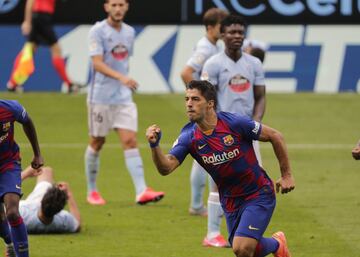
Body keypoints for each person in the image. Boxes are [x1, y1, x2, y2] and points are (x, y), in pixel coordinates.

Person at [146, 80, 295, 257]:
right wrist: (154, 146)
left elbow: (275, 136)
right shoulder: (189, 137)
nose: (189, 104)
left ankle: (275, 245)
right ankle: (277, 245)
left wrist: (286, 175)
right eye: (186, 99)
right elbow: (166, 168)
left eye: (195, 99)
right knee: (242, 247)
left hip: (257, 192)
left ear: (210, 104)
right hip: (230, 200)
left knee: (242, 247)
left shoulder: (234, 123)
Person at [197, 14, 268, 247]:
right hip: (222, 132)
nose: (237, 36)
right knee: (220, 181)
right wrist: (214, 128)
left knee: (255, 180)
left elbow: (260, 96)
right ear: (223, 34)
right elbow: (206, 100)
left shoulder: (254, 64)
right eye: (232, 32)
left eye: (240, 32)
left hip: (247, 131)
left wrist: (255, 124)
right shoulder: (213, 64)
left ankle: (242, 230)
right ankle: (211, 234)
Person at [85, 0, 165, 206]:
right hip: (100, 97)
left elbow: (123, 60)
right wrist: (122, 78)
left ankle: (141, 191)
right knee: (97, 142)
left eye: (121, 4)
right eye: (114, 5)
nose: (118, 8)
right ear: (106, 7)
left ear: (127, 7)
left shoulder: (129, 32)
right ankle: (92, 190)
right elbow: (97, 63)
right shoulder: (97, 31)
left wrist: (123, 81)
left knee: (130, 141)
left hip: (123, 97)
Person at [180, 7, 230, 247]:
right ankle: (198, 204)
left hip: (207, 109)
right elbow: (186, 71)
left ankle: (197, 204)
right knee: (205, 156)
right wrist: (197, 96)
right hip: (206, 110)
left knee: (201, 156)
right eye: (223, 26)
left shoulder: (212, 47)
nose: (227, 29)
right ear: (212, 27)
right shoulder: (205, 48)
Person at [6, 0, 82, 93]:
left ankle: (12, 84)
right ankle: (69, 84)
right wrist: (27, 21)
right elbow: (30, 2)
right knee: (55, 48)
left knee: (29, 49)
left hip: (39, 17)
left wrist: (28, 21)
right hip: (42, 18)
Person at [0, 100, 43, 257]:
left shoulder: (9, 108)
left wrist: (37, 153)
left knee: (12, 212)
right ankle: (10, 243)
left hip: (8, 164)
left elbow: (27, 121)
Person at [19, 166, 80, 233]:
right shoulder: (63, 221)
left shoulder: (22, 211)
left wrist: (25, 174)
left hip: (31, 205)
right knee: (46, 171)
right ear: (59, 211)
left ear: (41, 201)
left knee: (45, 171)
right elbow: (77, 224)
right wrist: (69, 194)